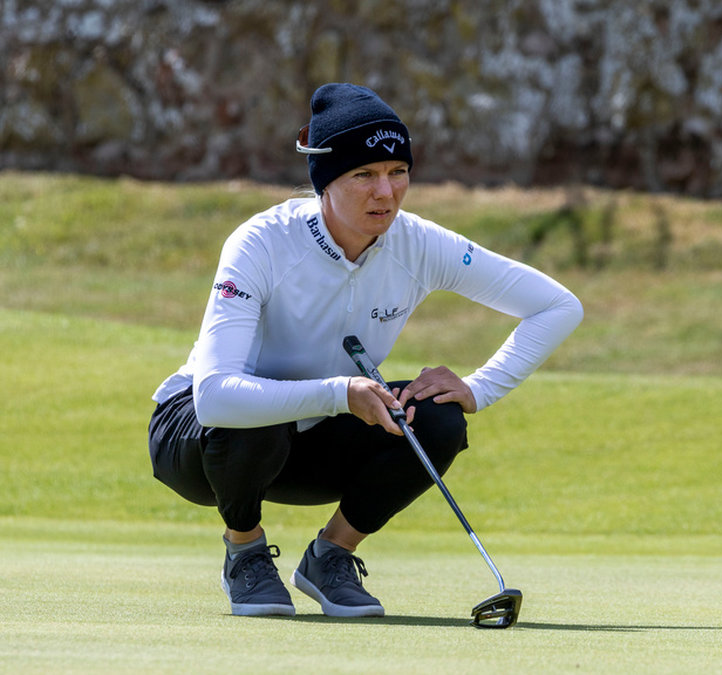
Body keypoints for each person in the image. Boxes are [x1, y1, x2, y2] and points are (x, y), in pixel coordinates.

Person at [147, 82, 583, 617]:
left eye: (398, 171)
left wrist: (480, 388)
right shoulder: (261, 242)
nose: (386, 192)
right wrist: (340, 393)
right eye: (364, 175)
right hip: (201, 440)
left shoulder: (419, 244)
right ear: (325, 181)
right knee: (256, 414)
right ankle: (245, 551)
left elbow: (558, 306)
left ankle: (331, 556)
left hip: (310, 441)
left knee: (438, 419)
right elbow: (215, 398)